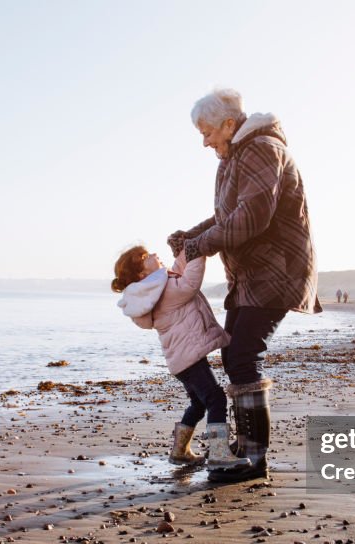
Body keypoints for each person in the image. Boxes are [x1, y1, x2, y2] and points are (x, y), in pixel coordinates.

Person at [168, 87, 320, 483]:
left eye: (207, 132)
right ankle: (245, 450)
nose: (204, 142)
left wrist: (198, 244)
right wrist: (191, 235)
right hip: (254, 275)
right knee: (236, 355)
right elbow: (227, 215)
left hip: (275, 271)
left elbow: (250, 219)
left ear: (229, 124)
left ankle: (253, 458)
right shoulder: (239, 154)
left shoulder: (260, 149)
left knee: (242, 356)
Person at [112, 245, 249, 470]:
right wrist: (199, 249)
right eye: (146, 257)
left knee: (198, 402)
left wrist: (188, 248)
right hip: (188, 358)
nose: (155, 254)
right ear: (141, 274)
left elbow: (178, 268)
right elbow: (190, 283)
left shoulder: (156, 288)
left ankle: (180, 451)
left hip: (181, 360)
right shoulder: (165, 291)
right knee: (216, 399)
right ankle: (218, 455)